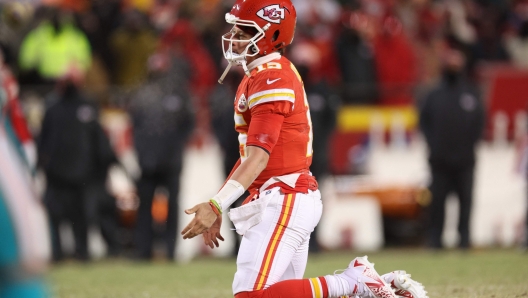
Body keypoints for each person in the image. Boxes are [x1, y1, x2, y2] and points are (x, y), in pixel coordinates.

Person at [181, 1, 428, 297]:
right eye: (236, 28)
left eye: (245, 30)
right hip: (285, 195)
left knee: (251, 295)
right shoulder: (260, 74)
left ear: (271, 34)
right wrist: (220, 200)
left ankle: (354, 282)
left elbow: (259, 157)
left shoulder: (271, 77)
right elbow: (250, 155)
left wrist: (217, 204)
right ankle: (379, 286)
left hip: (285, 196)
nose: (235, 36)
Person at [37, 68, 109, 262]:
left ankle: (82, 252)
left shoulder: (87, 106)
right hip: (58, 173)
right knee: (56, 215)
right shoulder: (52, 107)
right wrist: (41, 166)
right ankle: (58, 253)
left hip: (82, 173)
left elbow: (98, 139)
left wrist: (101, 166)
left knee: (82, 216)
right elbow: (44, 139)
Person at [129, 52, 195, 261]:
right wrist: (142, 153)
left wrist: (175, 147)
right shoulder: (141, 95)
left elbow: (188, 124)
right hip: (148, 161)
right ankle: (143, 251)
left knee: (173, 206)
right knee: (145, 206)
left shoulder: (178, 93)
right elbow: (135, 127)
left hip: (171, 160)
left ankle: (170, 250)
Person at [419, 47, 485, 250]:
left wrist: (467, 146)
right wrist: (435, 145)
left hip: (465, 161)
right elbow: (424, 123)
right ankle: (435, 240)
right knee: (437, 204)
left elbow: (479, 124)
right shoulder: (433, 94)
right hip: (440, 161)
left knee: (465, 203)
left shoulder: (472, 93)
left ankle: (464, 240)